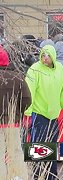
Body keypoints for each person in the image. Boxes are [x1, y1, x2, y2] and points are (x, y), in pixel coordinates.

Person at [25, 44, 63, 180]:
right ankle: (38, 175)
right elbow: (30, 93)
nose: (45, 58)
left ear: (53, 56)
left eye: (48, 56)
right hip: (39, 114)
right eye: (43, 55)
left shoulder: (59, 69)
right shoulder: (35, 70)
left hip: (53, 115)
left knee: (52, 146)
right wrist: (28, 114)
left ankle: (51, 175)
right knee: (39, 147)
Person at [0, 45, 31, 179]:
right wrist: (17, 113)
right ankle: (18, 176)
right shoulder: (17, 77)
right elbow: (27, 99)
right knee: (16, 153)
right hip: (12, 123)